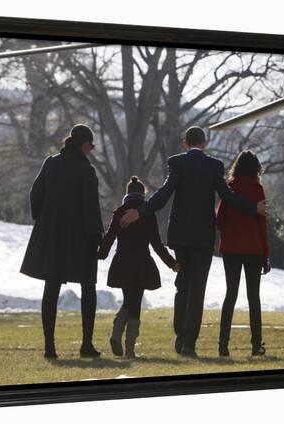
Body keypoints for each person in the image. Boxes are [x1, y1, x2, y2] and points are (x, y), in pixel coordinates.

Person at [120, 126, 266, 357]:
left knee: (182, 286)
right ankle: (189, 342)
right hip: (203, 236)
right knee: (198, 288)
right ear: (204, 143)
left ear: (185, 143)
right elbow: (228, 197)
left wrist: (141, 211)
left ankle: (179, 336)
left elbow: (165, 192)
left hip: (181, 235)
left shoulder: (177, 163)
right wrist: (253, 208)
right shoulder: (214, 166)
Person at [20, 124, 104, 359]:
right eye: (90, 145)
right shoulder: (87, 171)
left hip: (52, 234)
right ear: (84, 144)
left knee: (51, 288)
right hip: (80, 237)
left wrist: (42, 219)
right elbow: (91, 207)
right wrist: (98, 237)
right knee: (88, 288)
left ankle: (50, 347)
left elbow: (35, 194)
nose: (91, 150)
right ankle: (86, 345)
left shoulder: (51, 162)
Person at [98, 176, 180, 358]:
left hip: (122, 263)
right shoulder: (147, 214)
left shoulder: (119, 212)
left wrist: (99, 254)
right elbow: (157, 245)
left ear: (127, 194)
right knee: (135, 302)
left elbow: (110, 238)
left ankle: (117, 332)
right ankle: (129, 348)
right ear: (143, 194)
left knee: (129, 299)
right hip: (142, 264)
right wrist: (172, 263)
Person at [215, 150, 270, 357]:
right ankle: (256, 345)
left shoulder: (230, 189)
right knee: (253, 297)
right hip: (254, 248)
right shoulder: (258, 190)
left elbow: (219, 221)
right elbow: (262, 224)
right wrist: (266, 254)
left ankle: (223, 345)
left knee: (231, 294)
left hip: (231, 248)